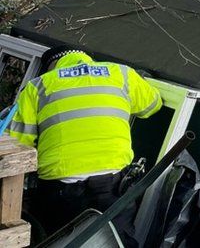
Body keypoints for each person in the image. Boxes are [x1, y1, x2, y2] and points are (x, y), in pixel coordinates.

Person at [8, 45, 162, 242]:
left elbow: (19, 142)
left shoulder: (39, 86)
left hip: (63, 188)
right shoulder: (121, 74)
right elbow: (152, 105)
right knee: (117, 241)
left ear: (52, 65)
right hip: (113, 184)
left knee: (60, 241)